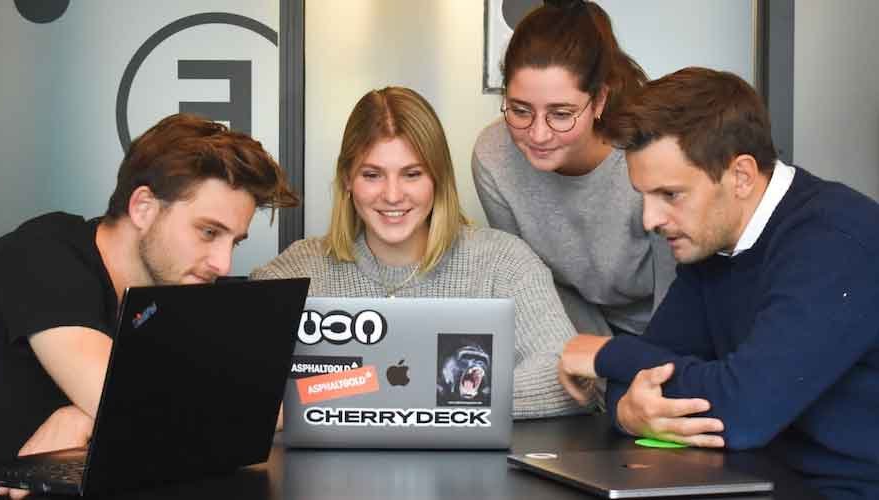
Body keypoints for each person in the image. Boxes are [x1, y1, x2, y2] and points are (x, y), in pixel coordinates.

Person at [0, 113, 298, 499]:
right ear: (143, 206)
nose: (223, 263)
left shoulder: (173, 293)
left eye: (234, 241)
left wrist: (84, 416)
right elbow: (144, 415)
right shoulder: (45, 254)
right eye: (208, 232)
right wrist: (107, 414)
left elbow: (264, 411)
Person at [559, 67, 879, 500]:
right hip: (749, 480)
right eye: (645, 196)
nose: (650, 220)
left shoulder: (837, 240)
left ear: (741, 176)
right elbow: (649, 372)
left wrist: (605, 353)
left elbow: (742, 408)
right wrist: (628, 409)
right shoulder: (712, 243)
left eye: (670, 195)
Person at [253, 86, 591, 419]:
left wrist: (397, 394)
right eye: (372, 175)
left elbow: (568, 379)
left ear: (438, 178)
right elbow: (232, 378)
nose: (393, 195)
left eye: (412, 174)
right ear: (347, 179)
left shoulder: (504, 262)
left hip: (466, 474)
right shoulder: (300, 270)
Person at [472, 0, 676, 340]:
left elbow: (680, 286)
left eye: (561, 114)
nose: (538, 134)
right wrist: (596, 364)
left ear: (598, 102)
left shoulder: (652, 149)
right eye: (520, 110)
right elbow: (532, 282)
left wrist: (639, 364)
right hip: (575, 332)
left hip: (676, 329)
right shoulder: (493, 158)